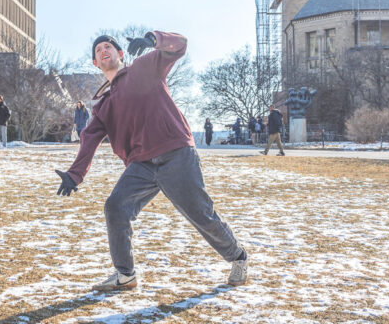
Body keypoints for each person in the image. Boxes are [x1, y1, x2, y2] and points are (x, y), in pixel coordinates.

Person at [55, 31, 248, 291]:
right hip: (142, 165)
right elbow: (89, 137)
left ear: (120, 54)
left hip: (176, 153)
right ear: (95, 63)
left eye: (108, 46)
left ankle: (238, 257)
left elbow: (179, 46)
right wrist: (74, 175)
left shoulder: (143, 67)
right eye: (98, 49)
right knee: (116, 207)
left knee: (201, 214)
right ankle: (125, 275)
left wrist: (154, 40)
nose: (104, 50)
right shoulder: (103, 103)